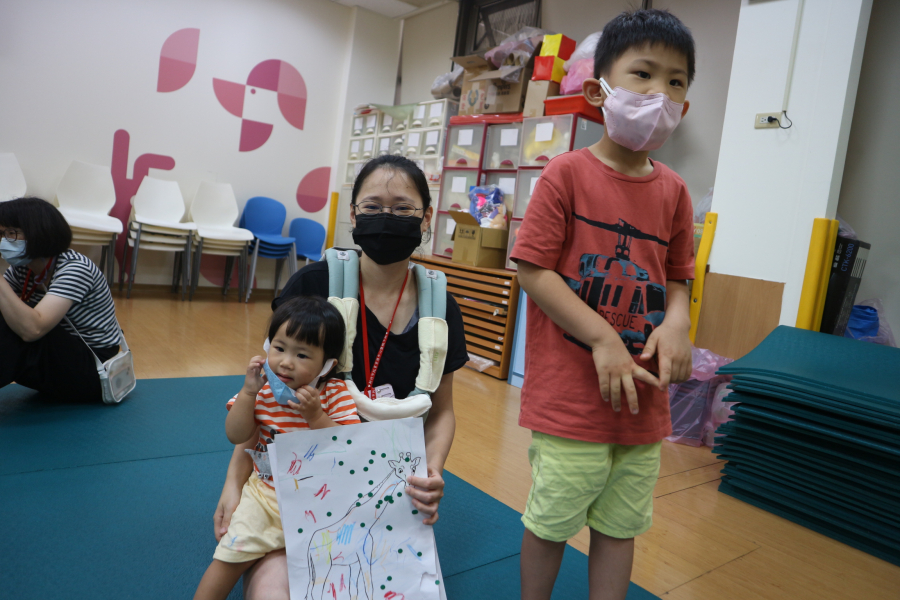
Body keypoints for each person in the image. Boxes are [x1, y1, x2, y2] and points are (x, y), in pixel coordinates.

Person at [212, 155, 469, 599]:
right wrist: (233, 485)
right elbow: (268, 397)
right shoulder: (313, 283)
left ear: (426, 217)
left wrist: (432, 472)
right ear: (352, 215)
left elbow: (442, 411)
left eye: (403, 208)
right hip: (298, 480)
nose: (386, 218)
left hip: (384, 487)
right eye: (372, 206)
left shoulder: (439, 304)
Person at [510, 10, 697, 600]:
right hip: (571, 397)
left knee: (621, 527)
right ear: (600, 90)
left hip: (643, 399)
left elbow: (679, 277)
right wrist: (602, 337)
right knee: (552, 522)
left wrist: (679, 322)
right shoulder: (564, 174)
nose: (660, 93)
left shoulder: (674, 190)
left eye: (676, 82)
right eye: (643, 74)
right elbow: (532, 269)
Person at [195, 295, 359, 600]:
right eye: (280, 348)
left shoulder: (335, 393)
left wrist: (317, 417)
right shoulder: (263, 390)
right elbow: (235, 434)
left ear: (327, 365)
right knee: (227, 559)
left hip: (318, 502)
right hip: (264, 497)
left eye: (302, 355)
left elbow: (350, 446)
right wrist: (247, 394)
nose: (286, 362)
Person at [0, 197, 121, 403]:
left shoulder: (75, 268)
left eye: (11, 233)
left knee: (12, 327)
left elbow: (33, 329)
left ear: (39, 232)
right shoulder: (23, 268)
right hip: (60, 359)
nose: (3, 241)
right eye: (1, 234)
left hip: (93, 368)